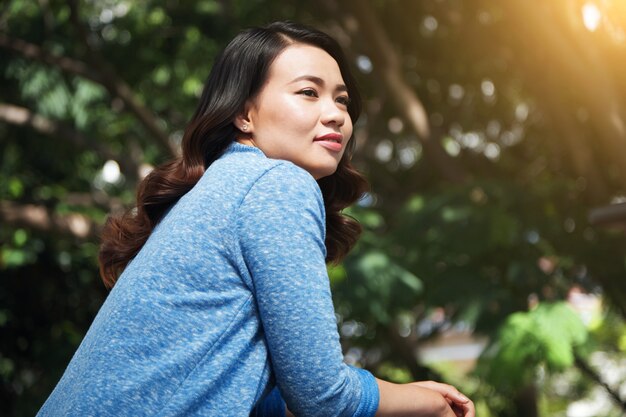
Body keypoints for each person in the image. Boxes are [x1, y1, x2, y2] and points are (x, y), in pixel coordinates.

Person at [37, 21, 475, 417]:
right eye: (309, 92)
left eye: (342, 99)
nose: (336, 113)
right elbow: (323, 397)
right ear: (244, 114)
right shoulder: (275, 184)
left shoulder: (214, 190)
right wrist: (429, 401)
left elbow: (253, 396)